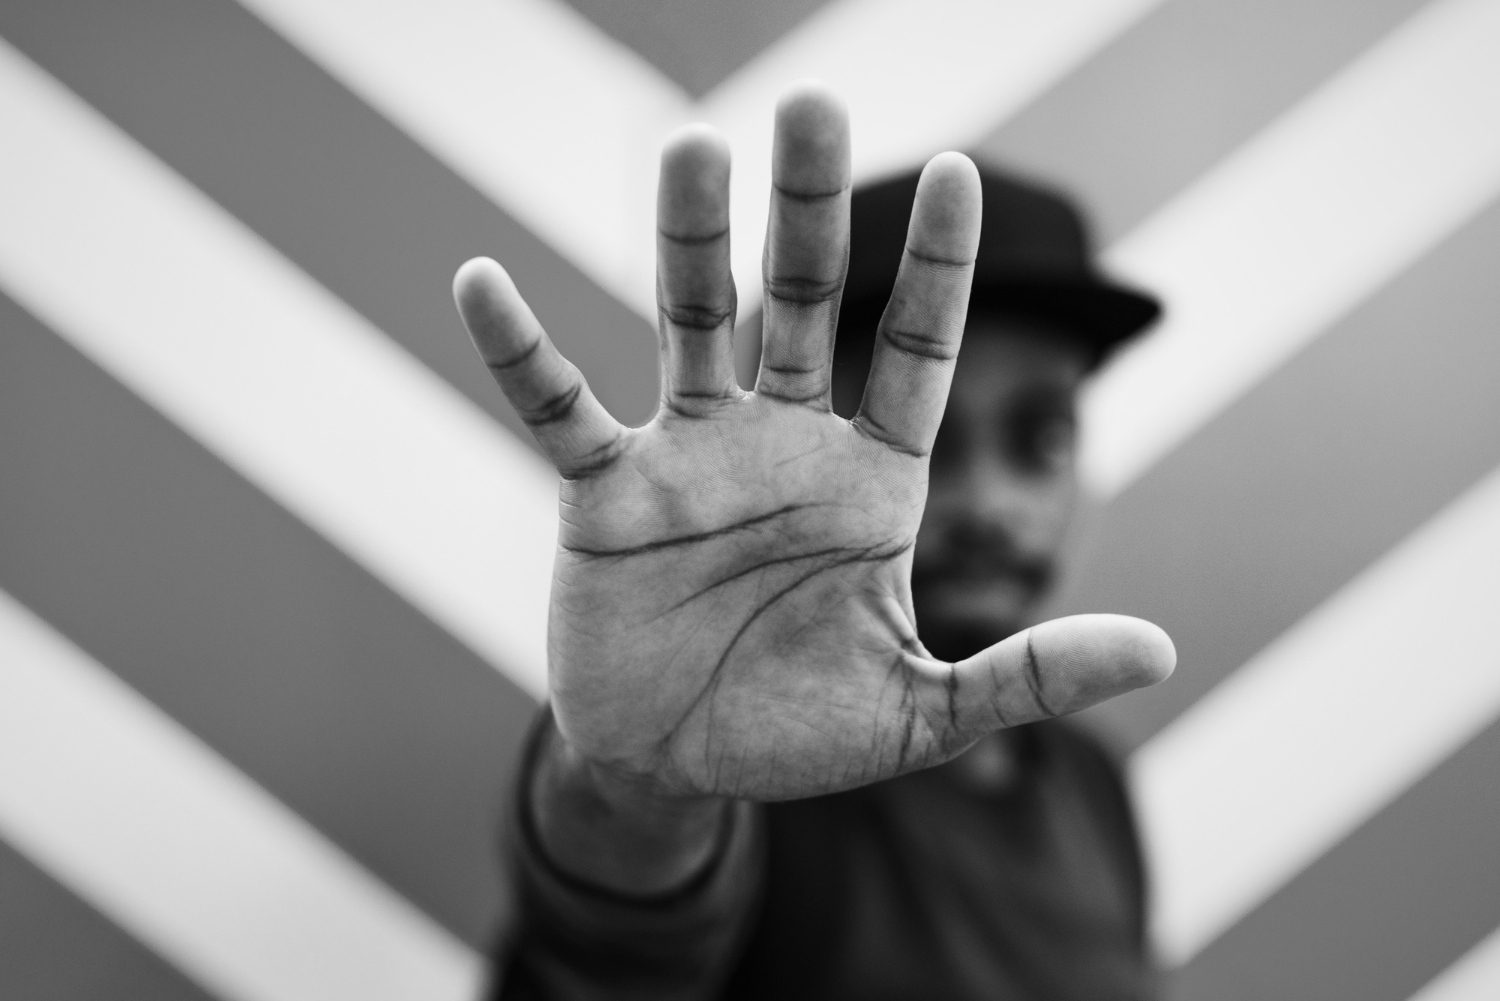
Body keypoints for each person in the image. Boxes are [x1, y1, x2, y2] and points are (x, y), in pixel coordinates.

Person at [453, 84, 1176, 1000]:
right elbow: (606, 961)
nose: (991, 504)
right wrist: (640, 797)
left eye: (1040, 437)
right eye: (930, 438)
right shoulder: (757, 764)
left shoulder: (1091, 783)